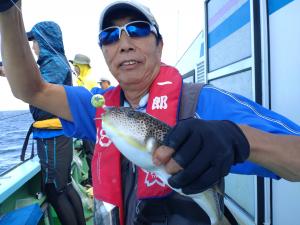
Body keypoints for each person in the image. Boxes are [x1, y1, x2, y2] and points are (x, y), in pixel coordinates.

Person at [1, 1, 300, 225]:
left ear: (159, 45)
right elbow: (32, 90)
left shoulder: (203, 103)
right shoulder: (102, 108)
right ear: (103, 51)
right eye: (110, 36)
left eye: (138, 30)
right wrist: (8, 9)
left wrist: (239, 140)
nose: (125, 44)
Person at [24, 21, 85, 225]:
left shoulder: (54, 64)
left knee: (54, 189)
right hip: (58, 134)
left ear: (45, 40)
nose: (33, 46)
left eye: (35, 41)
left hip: (53, 136)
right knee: (65, 185)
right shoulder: (55, 62)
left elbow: (35, 90)